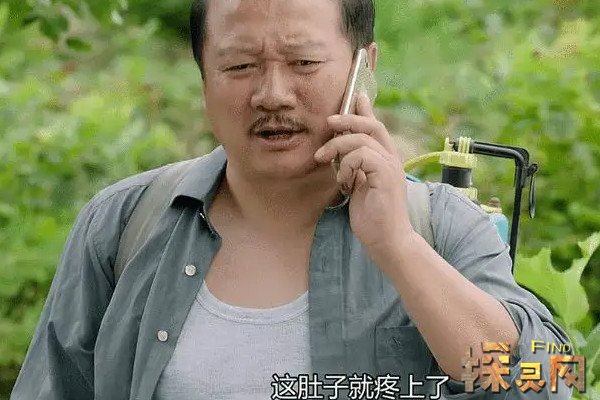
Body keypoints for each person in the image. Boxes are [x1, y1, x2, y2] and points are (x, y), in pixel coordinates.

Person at [12, 0, 571, 399]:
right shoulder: (123, 224)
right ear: (203, 77)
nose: (273, 94)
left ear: (364, 69)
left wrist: (397, 247)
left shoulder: (441, 227)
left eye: (304, 62)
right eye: (239, 66)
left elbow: (549, 381)